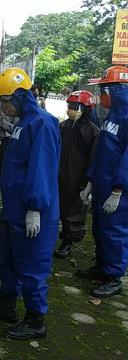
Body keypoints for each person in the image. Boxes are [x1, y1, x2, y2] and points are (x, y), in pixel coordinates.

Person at [0, 68, 61, 340]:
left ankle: (35, 319)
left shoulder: (41, 123)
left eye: (6, 102)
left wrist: (34, 206)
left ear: (20, 96)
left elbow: (41, 167)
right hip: (14, 208)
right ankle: (7, 304)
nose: (4, 108)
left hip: (33, 210)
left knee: (32, 265)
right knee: (8, 259)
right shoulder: (23, 121)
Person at [78, 66, 128, 298]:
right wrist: (90, 180)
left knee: (114, 232)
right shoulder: (112, 116)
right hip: (102, 184)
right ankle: (102, 266)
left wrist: (119, 190)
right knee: (100, 229)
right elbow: (101, 152)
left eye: (105, 89)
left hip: (118, 189)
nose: (102, 94)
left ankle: (114, 277)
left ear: (118, 90)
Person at [54, 90, 99, 259]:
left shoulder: (93, 132)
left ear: (85, 108)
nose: (71, 109)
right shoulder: (63, 127)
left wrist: (87, 183)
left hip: (78, 179)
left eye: (75, 106)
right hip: (60, 176)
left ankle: (68, 242)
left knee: (74, 212)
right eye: (70, 106)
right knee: (57, 209)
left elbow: (93, 159)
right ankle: (56, 235)